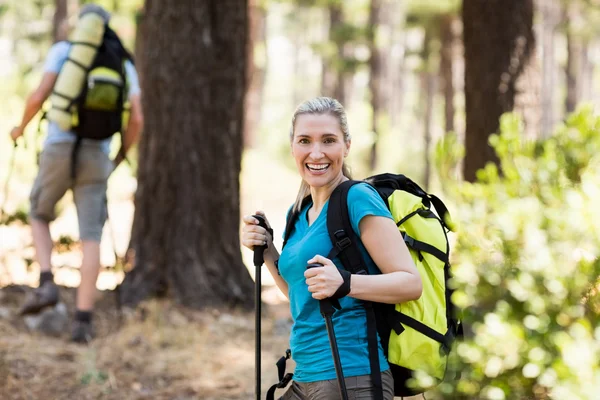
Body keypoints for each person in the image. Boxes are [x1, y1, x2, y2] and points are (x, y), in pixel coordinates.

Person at [241, 97, 422, 399]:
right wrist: (267, 248)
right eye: (305, 141)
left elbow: (410, 282)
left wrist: (346, 283)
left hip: (353, 375)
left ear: (346, 146)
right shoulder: (298, 211)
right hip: (305, 374)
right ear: (293, 147)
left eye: (328, 140)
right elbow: (299, 292)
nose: (316, 152)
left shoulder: (358, 198)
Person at [9, 4, 144, 343]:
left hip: (58, 145)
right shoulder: (124, 62)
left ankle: (46, 282)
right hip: (97, 153)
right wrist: (121, 155)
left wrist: (19, 129)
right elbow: (137, 119)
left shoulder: (64, 51)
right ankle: (83, 322)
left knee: (39, 213)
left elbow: (39, 96)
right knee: (91, 238)